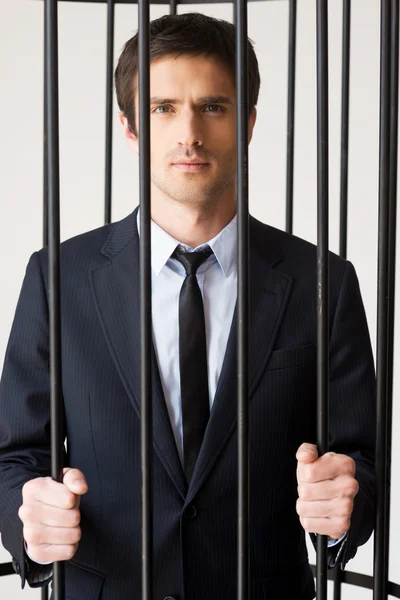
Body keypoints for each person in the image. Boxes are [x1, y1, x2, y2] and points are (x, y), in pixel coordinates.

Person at [0, 12, 376, 600]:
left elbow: (360, 460)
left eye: (214, 107)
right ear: (129, 127)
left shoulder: (322, 281)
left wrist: (343, 512)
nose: (189, 133)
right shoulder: (58, 277)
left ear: (248, 122)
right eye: (162, 108)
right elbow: (14, 455)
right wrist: (29, 520)